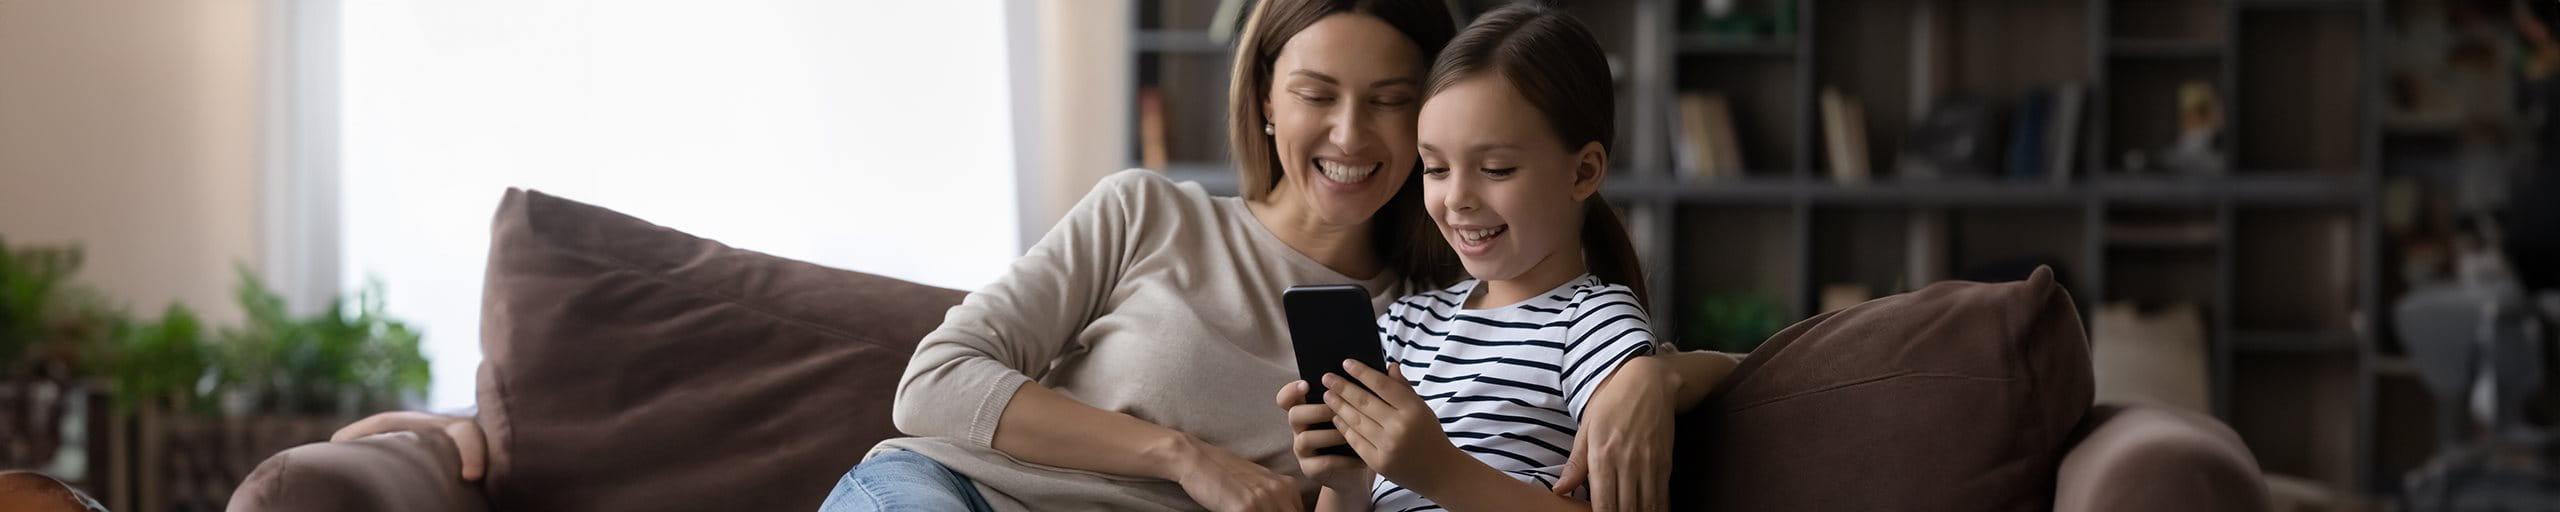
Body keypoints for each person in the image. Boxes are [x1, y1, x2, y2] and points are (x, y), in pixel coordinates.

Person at [1274, 5, 1737, 511]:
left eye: (1495, 169)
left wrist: (1439, 471)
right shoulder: (1405, 325)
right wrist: (1345, 482)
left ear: (1583, 173)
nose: (1457, 199)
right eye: (1435, 168)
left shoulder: (1591, 324)